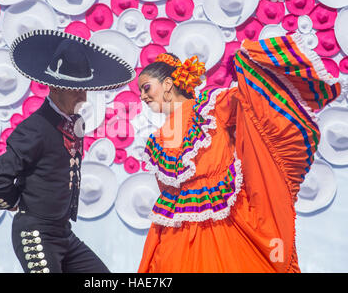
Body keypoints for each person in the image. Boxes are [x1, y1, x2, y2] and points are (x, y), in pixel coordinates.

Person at [137, 33, 341, 273]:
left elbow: (254, 107)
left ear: (168, 84)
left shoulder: (210, 107)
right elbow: (168, 192)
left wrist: (248, 63)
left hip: (227, 226)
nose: (142, 96)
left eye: (146, 87)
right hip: (176, 237)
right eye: (141, 91)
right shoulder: (156, 142)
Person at [0, 30, 135, 273]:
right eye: (77, 90)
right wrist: (16, 204)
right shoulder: (34, 128)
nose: (84, 96)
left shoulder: (73, 123)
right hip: (35, 234)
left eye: (84, 88)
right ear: (57, 88)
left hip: (63, 233)